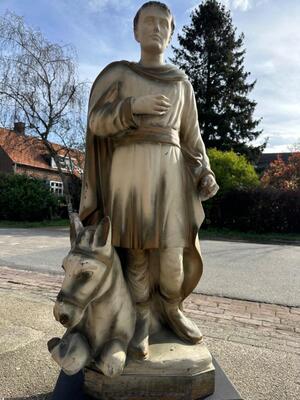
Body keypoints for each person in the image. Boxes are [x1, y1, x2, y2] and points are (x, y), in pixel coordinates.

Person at [79, 1, 219, 359]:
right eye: (148, 22)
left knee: (173, 252)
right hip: (129, 171)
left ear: (171, 33)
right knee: (136, 253)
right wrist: (131, 107)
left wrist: (204, 171)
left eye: (163, 23)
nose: (156, 28)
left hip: (171, 174)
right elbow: (96, 123)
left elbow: (193, 137)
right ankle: (140, 318)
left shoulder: (181, 84)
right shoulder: (121, 75)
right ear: (135, 30)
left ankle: (172, 308)